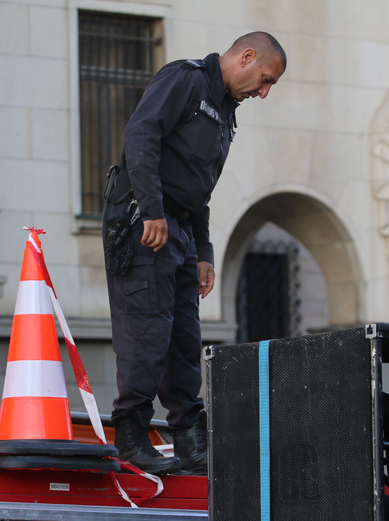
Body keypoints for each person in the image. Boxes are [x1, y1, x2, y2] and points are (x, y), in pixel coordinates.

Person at [102, 31, 287, 475]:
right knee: (147, 332)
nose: (263, 92)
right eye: (265, 80)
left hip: (180, 229)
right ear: (246, 57)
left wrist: (203, 251)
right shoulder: (184, 79)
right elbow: (140, 134)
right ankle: (131, 438)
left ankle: (191, 443)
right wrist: (150, 210)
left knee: (184, 342)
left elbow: (199, 184)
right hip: (143, 221)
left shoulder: (225, 110)